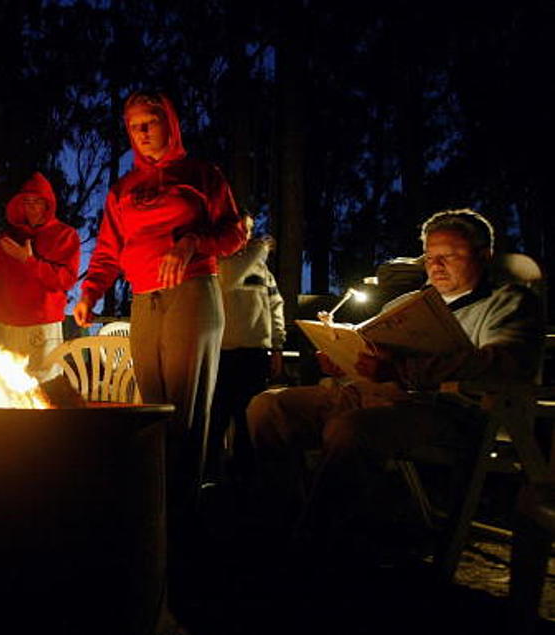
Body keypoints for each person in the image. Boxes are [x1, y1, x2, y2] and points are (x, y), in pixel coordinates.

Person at [246, 209, 544, 554]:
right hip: (375, 394)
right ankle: (282, 518)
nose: (437, 266)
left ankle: (319, 541)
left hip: (450, 410)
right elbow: (371, 346)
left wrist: (406, 370)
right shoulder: (410, 303)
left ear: (484, 255)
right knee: (268, 407)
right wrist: (342, 359)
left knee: (350, 430)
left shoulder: (508, 302)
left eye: (451, 256)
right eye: (431, 257)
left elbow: (502, 363)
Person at [74, 92, 246, 509]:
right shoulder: (123, 189)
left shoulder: (203, 174)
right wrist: (90, 292)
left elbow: (235, 233)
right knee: (152, 407)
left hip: (191, 293)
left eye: (151, 122)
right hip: (144, 299)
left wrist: (192, 241)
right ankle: (153, 503)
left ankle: (184, 506)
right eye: (135, 126)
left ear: (170, 123)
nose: (144, 132)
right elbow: (108, 250)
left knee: (185, 411)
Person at [207, 214, 284, 484]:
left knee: (248, 420)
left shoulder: (261, 269)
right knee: (215, 420)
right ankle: (207, 480)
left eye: (250, 230)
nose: (248, 236)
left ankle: (245, 482)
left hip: (254, 355)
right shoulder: (217, 263)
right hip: (222, 354)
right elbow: (232, 279)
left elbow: (275, 307)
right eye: (242, 229)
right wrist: (261, 251)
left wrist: (277, 346)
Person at [0, 172, 79, 381]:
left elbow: (66, 280)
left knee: (44, 387)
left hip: (43, 325)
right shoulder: (6, 240)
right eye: (26, 202)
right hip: (8, 325)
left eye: (37, 202)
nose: (31, 207)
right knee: (7, 387)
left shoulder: (65, 236)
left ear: (48, 205)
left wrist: (29, 262)